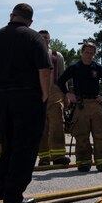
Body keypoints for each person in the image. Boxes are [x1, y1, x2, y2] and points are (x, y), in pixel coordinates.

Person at [0, 3, 50, 203]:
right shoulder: (34, 37)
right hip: (28, 97)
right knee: (25, 146)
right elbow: (44, 70)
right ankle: (14, 196)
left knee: (7, 144)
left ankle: (3, 190)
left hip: (1, 97)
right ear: (30, 20)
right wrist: (44, 94)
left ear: (12, 16)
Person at [57, 41, 102, 172]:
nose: (88, 55)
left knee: (100, 134)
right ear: (81, 52)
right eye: (86, 52)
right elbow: (60, 81)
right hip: (80, 105)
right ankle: (83, 163)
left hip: (95, 104)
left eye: (91, 53)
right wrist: (67, 94)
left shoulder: (98, 68)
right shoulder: (74, 67)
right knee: (81, 136)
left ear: (94, 54)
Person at [36, 30, 71, 167]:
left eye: (46, 37)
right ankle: (44, 157)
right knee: (41, 126)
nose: (44, 39)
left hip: (55, 92)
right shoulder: (31, 52)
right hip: (37, 93)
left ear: (50, 39)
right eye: (41, 37)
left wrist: (66, 95)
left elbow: (63, 77)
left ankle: (58, 155)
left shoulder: (58, 56)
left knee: (57, 124)